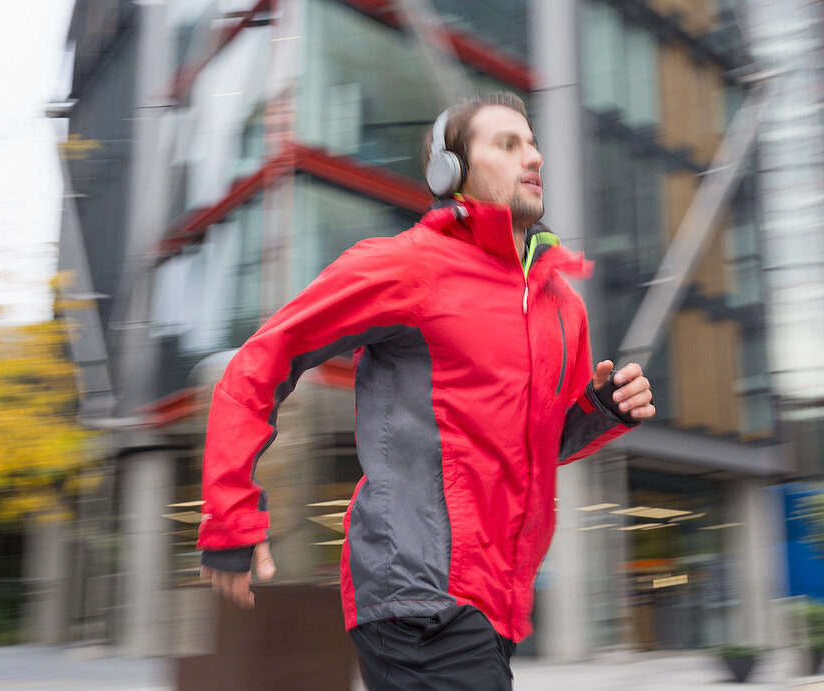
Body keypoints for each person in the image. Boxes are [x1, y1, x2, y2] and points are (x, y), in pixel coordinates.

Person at [197, 92, 655, 689]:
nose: (534, 157)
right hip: (414, 592)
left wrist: (601, 411)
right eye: (508, 144)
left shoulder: (561, 305)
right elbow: (261, 359)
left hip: (498, 603)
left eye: (533, 142)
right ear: (452, 173)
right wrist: (230, 518)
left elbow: (538, 446)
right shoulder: (408, 268)